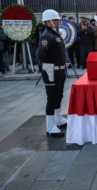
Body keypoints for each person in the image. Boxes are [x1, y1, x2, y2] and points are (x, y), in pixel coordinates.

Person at [36, 9, 67, 138]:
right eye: (55, 19)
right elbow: (40, 54)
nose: (58, 21)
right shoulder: (47, 35)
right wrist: (49, 65)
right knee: (52, 98)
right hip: (51, 70)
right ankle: (50, 127)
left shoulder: (55, 33)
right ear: (48, 21)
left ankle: (58, 119)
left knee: (59, 95)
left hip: (59, 70)